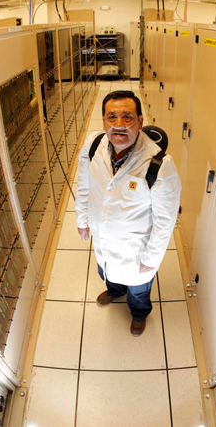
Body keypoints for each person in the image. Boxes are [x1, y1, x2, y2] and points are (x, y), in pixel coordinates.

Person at [75, 90, 181, 336]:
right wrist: (82, 220)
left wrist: (151, 260)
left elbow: (165, 222)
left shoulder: (159, 165)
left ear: (140, 121)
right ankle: (114, 290)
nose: (119, 125)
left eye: (127, 117)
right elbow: (83, 184)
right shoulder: (93, 145)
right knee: (106, 272)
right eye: (111, 117)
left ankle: (139, 314)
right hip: (103, 240)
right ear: (103, 121)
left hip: (136, 252)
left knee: (139, 289)